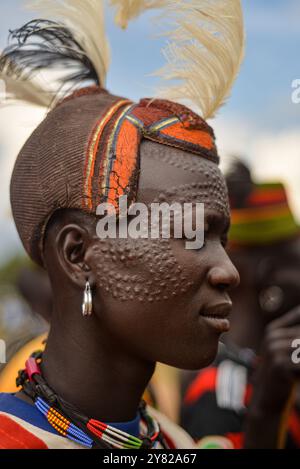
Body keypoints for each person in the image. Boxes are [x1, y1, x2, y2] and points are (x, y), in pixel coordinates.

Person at [0, 0, 243, 449]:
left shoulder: (173, 443)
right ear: (78, 256)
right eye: (191, 234)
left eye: (222, 239)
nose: (228, 270)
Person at [181, 161, 300, 449]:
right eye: (298, 262)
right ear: (269, 275)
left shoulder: (273, 369)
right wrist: (265, 414)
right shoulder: (219, 390)